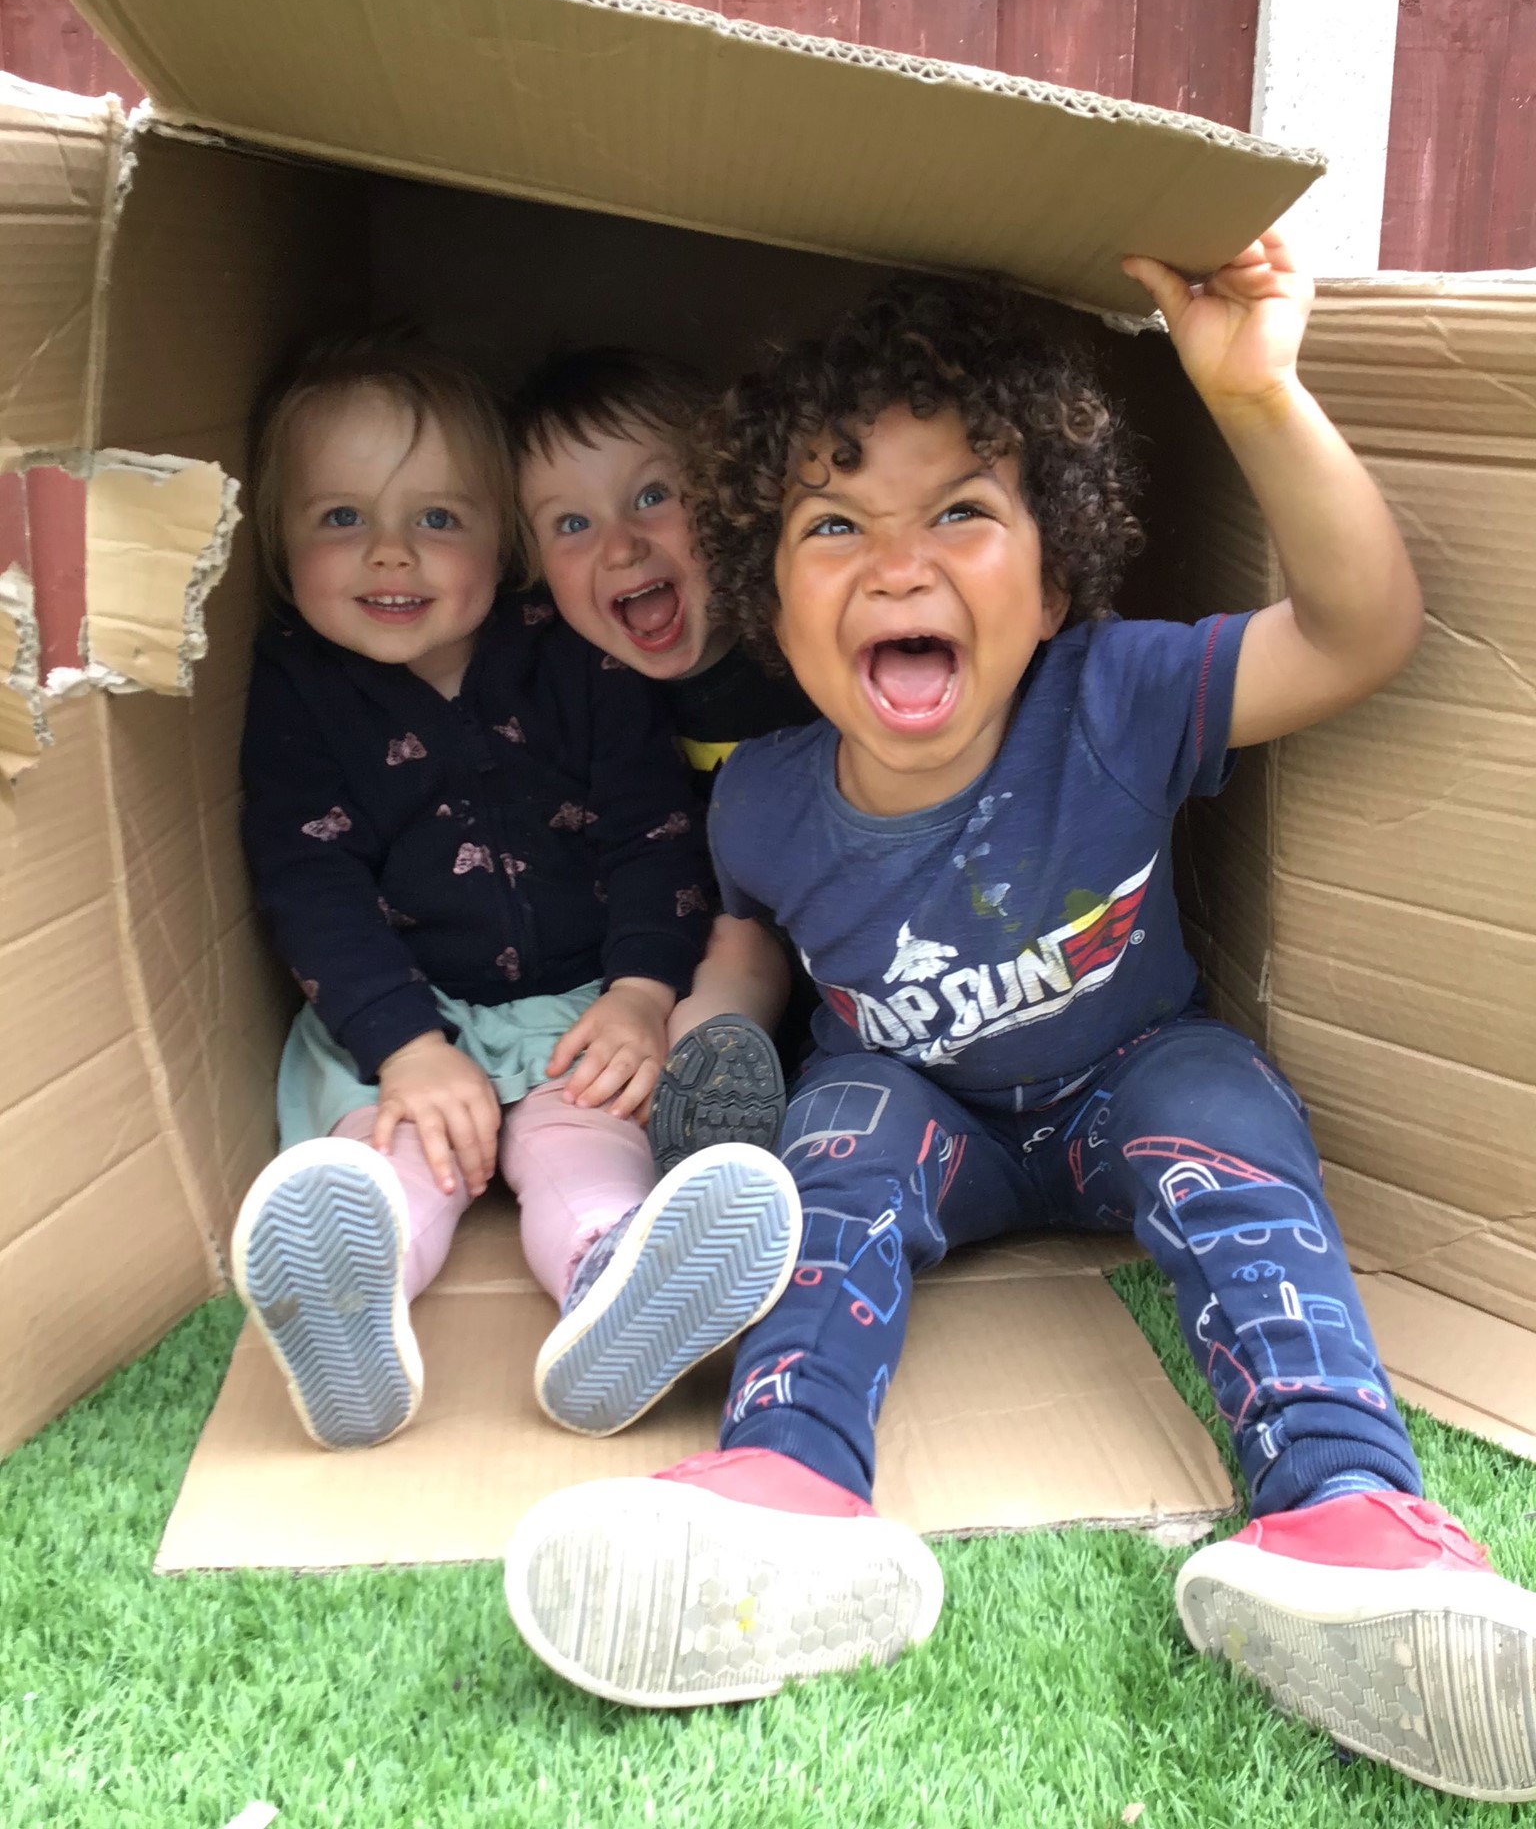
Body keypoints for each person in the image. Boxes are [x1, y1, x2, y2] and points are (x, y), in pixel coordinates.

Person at [501, 240, 1536, 1804]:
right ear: (772, 601)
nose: (898, 564)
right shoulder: (767, 799)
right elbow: (747, 949)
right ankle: (784, 1490)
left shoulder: (1114, 695)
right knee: (833, 1127)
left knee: (1226, 1102)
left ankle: (1347, 1519)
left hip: (1133, 1075)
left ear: (1057, 579)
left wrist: (1253, 393)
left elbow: (1361, 627)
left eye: (962, 513)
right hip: (921, 1113)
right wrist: (707, 1046)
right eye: (834, 524)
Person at [229, 334, 800, 1453]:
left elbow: (653, 834)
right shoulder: (297, 685)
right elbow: (307, 874)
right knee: (393, 1162)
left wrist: (641, 991)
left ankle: (613, 1282)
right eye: (342, 518)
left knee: (587, 1149)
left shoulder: (576, 660)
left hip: (576, 1002)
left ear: (508, 545)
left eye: (438, 518)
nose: (391, 555)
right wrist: (405, 1045)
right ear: (278, 541)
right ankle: (354, 1299)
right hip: (390, 1017)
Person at [507, 347, 817, 1174]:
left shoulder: (800, 636)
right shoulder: (586, 693)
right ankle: (713, 1094)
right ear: (535, 573)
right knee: (729, 949)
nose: (620, 546)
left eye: (652, 496)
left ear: (727, 496)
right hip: (728, 936)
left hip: (855, 903)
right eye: (571, 525)